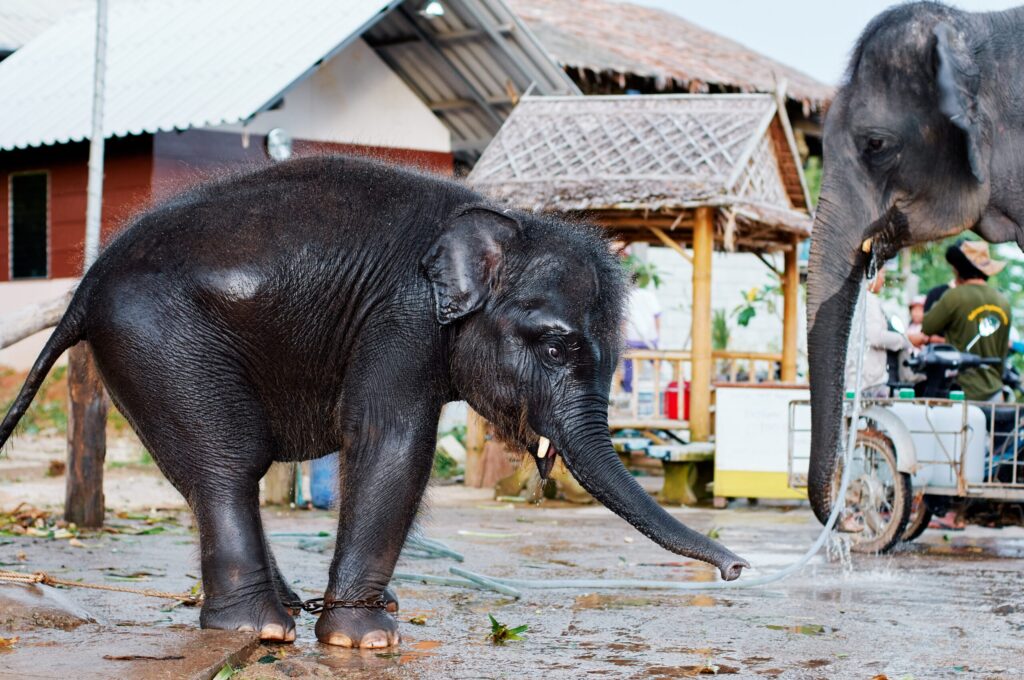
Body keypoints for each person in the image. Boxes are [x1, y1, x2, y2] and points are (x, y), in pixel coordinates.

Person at [909, 240, 1011, 401]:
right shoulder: (1003, 302)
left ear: (957, 269)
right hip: (994, 391)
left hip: (960, 392)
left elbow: (927, 326)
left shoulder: (954, 296)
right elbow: (1002, 352)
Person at [845, 268, 910, 397]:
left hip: (856, 376)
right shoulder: (868, 299)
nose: (883, 280)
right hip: (868, 379)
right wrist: (903, 340)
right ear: (872, 277)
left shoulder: (854, 297)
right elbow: (875, 337)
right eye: (882, 274)